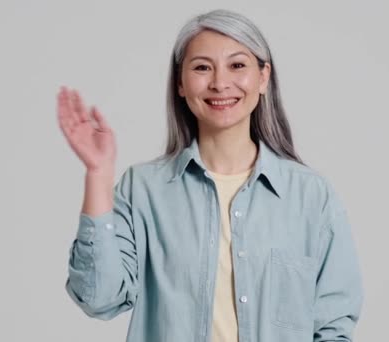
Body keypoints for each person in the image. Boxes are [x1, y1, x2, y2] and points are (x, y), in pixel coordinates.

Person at [58, 9, 363, 342]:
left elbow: (333, 327)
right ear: (180, 83)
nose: (220, 83)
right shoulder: (143, 190)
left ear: (263, 78)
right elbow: (99, 297)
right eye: (202, 67)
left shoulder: (311, 197)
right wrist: (98, 173)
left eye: (237, 65)